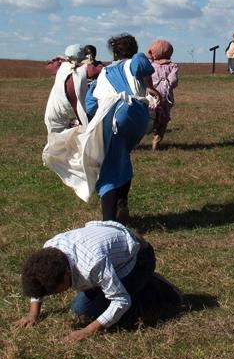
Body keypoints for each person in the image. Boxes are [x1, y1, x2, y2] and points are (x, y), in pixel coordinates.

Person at [11, 221, 182, 343]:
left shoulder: (92, 264)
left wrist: (87, 331)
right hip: (109, 257)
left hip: (138, 258)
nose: (51, 293)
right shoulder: (49, 249)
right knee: (80, 311)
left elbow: (121, 301)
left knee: (106, 314)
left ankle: (155, 286)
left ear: (64, 276)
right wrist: (33, 313)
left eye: (53, 291)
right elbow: (37, 278)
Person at [85, 33, 160, 222]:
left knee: (109, 168)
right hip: (139, 117)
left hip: (117, 117)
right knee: (122, 158)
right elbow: (143, 66)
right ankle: (122, 201)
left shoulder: (105, 72)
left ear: (114, 54)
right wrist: (148, 85)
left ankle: (109, 222)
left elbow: (90, 105)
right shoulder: (135, 63)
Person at [44, 44, 90, 134]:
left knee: (56, 144)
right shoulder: (81, 71)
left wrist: (59, 59)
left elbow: (50, 66)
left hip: (54, 113)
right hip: (66, 116)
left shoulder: (60, 66)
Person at [147, 39, 179, 150]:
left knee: (151, 116)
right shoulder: (173, 66)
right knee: (163, 119)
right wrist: (167, 83)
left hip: (152, 96)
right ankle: (157, 140)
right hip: (165, 96)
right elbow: (173, 81)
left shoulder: (150, 65)